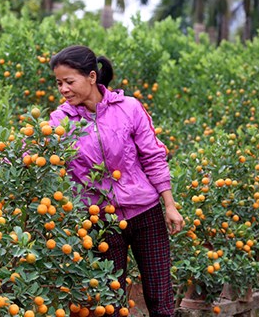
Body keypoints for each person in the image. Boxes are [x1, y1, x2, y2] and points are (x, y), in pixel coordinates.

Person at [48, 45, 184, 317]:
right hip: (101, 220)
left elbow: (153, 156)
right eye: (59, 83)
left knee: (160, 299)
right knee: (109, 303)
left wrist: (169, 204)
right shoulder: (60, 120)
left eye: (69, 82)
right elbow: (35, 156)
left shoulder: (129, 108)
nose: (63, 89)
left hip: (146, 213)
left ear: (91, 77)